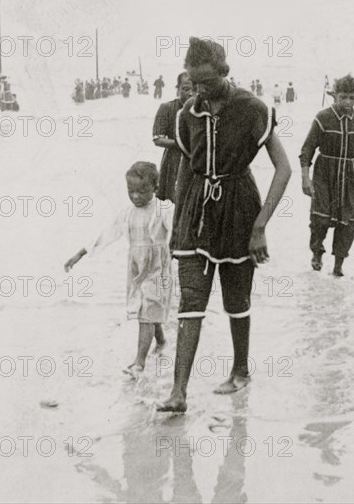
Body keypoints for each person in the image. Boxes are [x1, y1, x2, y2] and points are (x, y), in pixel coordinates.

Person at [156, 38, 292, 413]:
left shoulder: (251, 108)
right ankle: (178, 393)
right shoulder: (187, 114)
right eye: (193, 82)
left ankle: (241, 369)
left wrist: (261, 226)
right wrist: (178, 225)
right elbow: (187, 166)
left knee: (236, 300)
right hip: (197, 212)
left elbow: (284, 168)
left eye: (206, 82)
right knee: (191, 300)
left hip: (239, 208)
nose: (199, 90)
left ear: (224, 72)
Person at [64, 162, 173, 378]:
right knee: (145, 309)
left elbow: (179, 230)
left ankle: (139, 362)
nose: (135, 196)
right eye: (130, 191)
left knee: (148, 310)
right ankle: (160, 340)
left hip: (158, 268)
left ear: (156, 187)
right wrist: (80, 254)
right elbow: (106, 235)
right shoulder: (127, 213)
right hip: (136, 268)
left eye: (142, 191)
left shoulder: (164, 209)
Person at [299, 74, 354, 277]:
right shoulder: (323, 117)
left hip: (349, 175)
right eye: (343, 97)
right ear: (334, 95)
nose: (347, 102)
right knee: (321, 219)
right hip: (324, 172)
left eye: (352, 97)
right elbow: (307, 149)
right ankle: (317, 252)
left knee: (348, 221)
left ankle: (338, 265)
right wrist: (305, 177)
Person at [153, 72, 193, 203]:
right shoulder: (167, 108)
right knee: (173, 200)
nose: (191, 94)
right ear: (178, 89)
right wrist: (181, 144)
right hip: (174, 160)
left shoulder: (203, 110)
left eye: (195, 89)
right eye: (186, 89)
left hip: (198, 160)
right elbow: (157, 139)